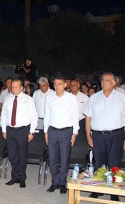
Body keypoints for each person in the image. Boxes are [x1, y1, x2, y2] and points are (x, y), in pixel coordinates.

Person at [84, 72, 125, 202]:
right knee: (99, 163)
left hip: (116, 135)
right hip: (98, 135)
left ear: (114, 83)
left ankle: (114, 192)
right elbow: (88, 119)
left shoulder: (122, 97)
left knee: (114, 163)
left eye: (107, 80)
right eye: (102, 80)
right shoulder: (94, 98)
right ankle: (98, 190)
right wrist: (88, 136)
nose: (104, 82)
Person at [44, 76, 79, 194]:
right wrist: (45, 131)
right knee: (52, 158)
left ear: (65, 85)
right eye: (55, 84)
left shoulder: (71, 98)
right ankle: (55, 181)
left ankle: (62, 182)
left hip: (66, 131)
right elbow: (47, 115)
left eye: (59, 84)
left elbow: (75, 116)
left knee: (64, 158)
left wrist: (75, 133)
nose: (57, 86)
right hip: (52, 131)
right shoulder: (49, 98)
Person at [1, 79, 38, 188]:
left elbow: (34, 117)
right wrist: (4, 130)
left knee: (22, 154)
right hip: (10, 130)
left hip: (22, 130)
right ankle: (15, 176)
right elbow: (4, 115)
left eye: (16, 87)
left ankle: (22, 177)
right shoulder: (8, 98)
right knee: (12, 155)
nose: (13, 89)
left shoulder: (28, 99)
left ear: (21, 88)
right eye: (12, 87)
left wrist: (31, 132)